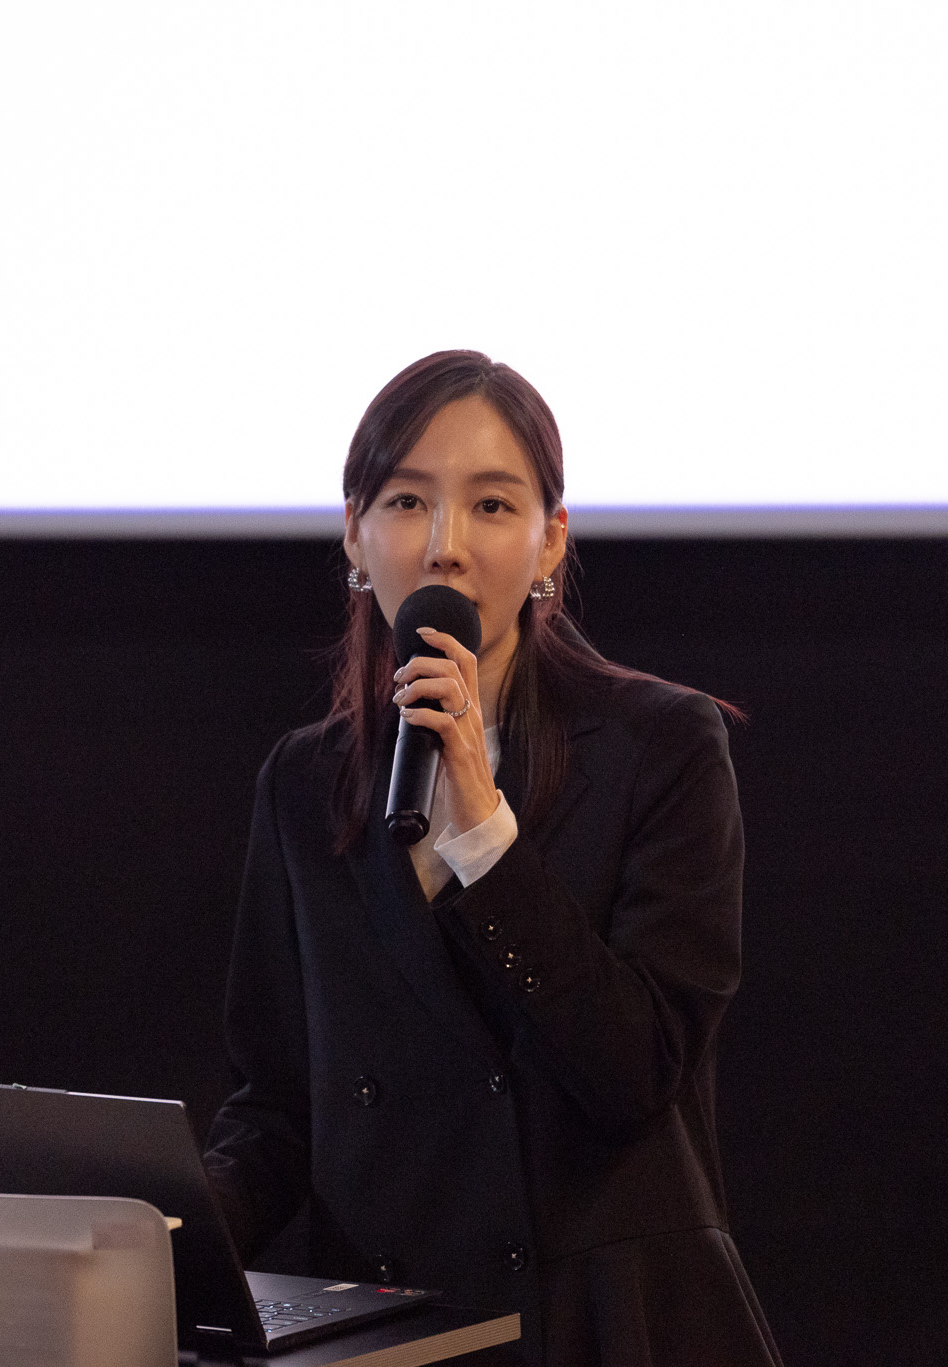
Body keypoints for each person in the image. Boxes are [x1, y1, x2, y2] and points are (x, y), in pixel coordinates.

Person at [203, 350, 782, 1366]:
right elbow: (280, 1109)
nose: (445, 546)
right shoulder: (304, 781)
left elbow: (636, 1067)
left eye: (491, 506)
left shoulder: (663, 745)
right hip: (393, 1325)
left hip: (599, 1324)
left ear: (549, 540)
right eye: (406, 501)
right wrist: (155, 1238)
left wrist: (483, 831)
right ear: (353, 532)